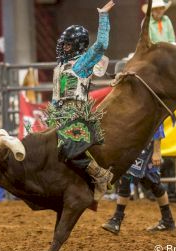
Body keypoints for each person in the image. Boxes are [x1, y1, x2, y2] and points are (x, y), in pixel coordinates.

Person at [46, 0, 115, 201]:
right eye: (64, 43)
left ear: (76, 46)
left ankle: (101, 175)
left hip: (75, 114)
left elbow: (101, 44)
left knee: (66, 145)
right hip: (59, 114)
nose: (63, 47)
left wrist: (103, 16)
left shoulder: (82, 62)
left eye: (67, 44)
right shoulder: (62, 66)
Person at [102, 125, 176, 234]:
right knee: (153, 182)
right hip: (135, 142)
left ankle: (116, 220)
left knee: (127, 176)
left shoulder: (153, 108)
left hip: (144, 145)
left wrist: (157, 151)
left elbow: (157, 123)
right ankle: (168, 220)